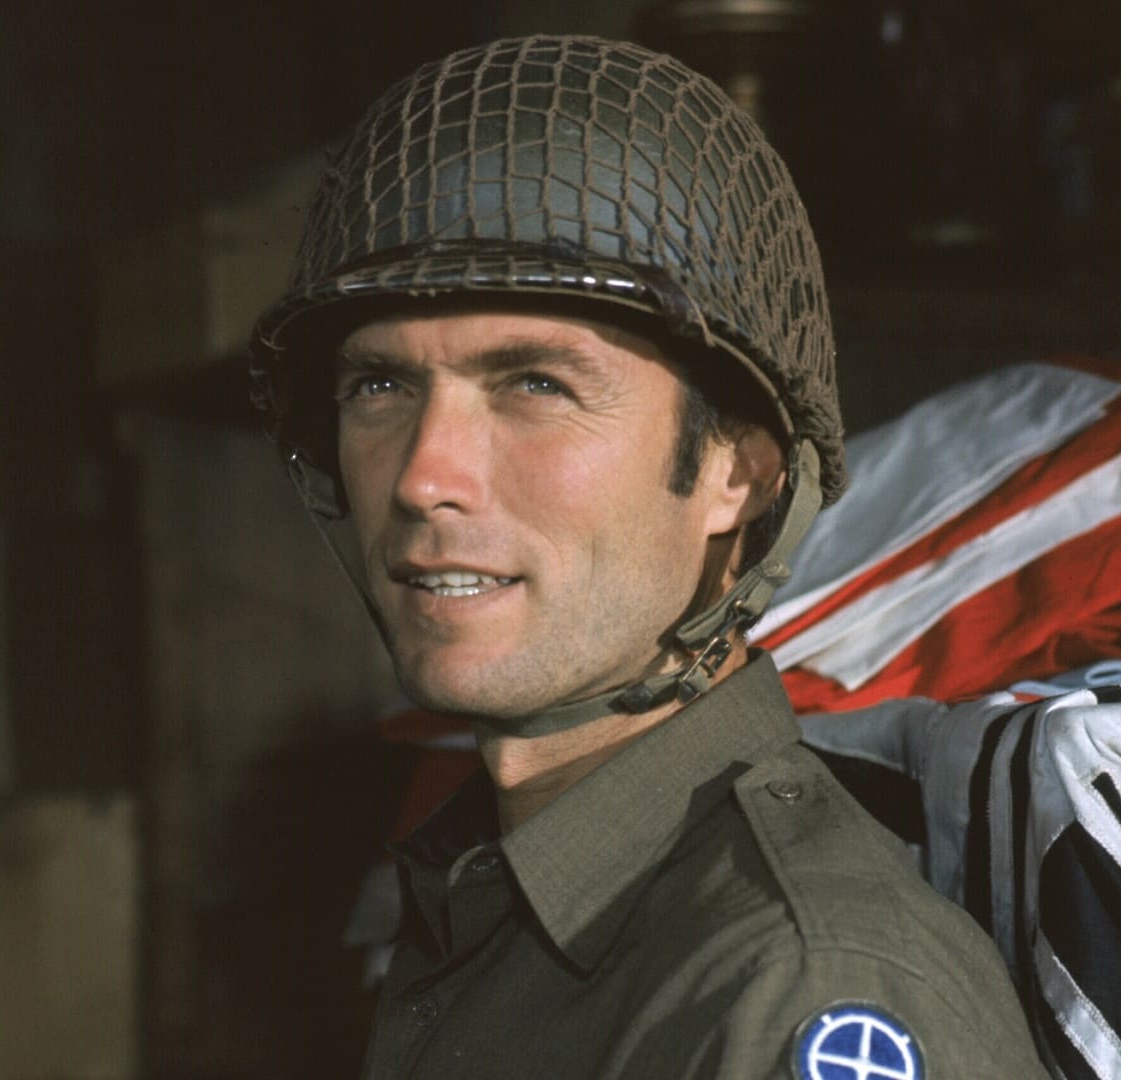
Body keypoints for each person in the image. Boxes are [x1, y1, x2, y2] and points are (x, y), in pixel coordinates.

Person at [250, 35, 1048, 1079]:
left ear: (738, 471)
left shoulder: (800, 990)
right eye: (380, 386)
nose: (422, 477)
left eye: (536, 385)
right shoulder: (487, 891)